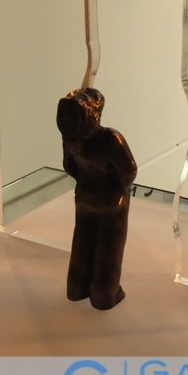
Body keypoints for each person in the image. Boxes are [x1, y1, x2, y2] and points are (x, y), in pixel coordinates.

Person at [56, 87, 137, 310]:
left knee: (82, 241)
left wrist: (86, 182)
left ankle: (76, 287)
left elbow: (69, 166)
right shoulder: (110, 139)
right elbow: (129, 171)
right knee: (109, 248)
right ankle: (104, 294)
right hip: (109, 201)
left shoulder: (70, 139)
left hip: (84, 196)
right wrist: (116, 190)